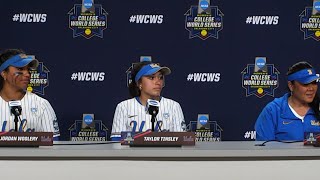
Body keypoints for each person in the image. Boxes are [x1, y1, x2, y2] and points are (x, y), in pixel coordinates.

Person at [111, 60, 186, 141]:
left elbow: (182, 141)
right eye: (152, 77)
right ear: (139, 83)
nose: (158, 82)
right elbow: (116, 142)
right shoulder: (124, 107)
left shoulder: (173, 106)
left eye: (160, 77)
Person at [0, 49, 60, 138]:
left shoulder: (41, 105)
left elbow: (53, 143)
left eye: (28, 69)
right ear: (4, 73)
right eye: (20, 69)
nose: (27, 74)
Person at [255, 61, 320, 141]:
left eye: (314, 83)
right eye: (305, 84)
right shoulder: (273, 111)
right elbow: (264, 150)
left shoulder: (318, 108)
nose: (311, 89)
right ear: (291, 86)